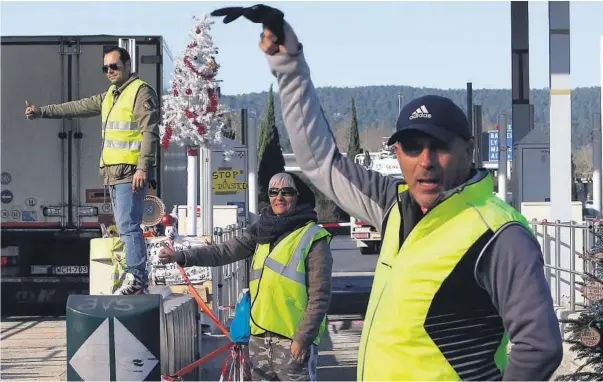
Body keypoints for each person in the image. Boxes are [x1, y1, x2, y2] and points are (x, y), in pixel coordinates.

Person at [255, 18, 563, 381]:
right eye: (413, 148)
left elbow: (540, 344)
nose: (426, 161)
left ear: (468, 150)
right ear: (397, 152)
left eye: (440, 147)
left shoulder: (498, 232)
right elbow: (319, 162)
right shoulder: (394, 205)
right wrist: (288, 64)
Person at [158, 172, 333, 381]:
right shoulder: (261, 230)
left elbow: (320, 297)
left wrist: (303, 338)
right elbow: (221, 252)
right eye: (273, 192)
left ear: (297, 196)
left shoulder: (312, 237)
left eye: (286, 192)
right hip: (259, 339)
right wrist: (181, 256)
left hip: (292, 341)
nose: (279, 197)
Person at [25, 46, 160, 295]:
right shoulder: (111, 95)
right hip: (114, 174)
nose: (109, 71)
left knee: (128, 226)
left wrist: (143, 167)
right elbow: (77, 106)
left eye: (114, 66)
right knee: (124, 226)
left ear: (127, 65)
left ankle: (138, 277)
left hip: (130, 173)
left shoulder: (140, 92)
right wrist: (42, 111)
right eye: (105, 67)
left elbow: (150, 132)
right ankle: (134, 275)